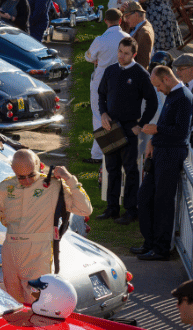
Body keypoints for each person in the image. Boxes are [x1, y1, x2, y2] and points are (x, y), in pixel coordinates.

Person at [0, 149, 93, 303]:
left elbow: (85, 209)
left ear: (39, 166)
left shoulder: (53, 185)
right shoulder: (3, 188)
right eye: (21, 177)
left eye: (31, 175)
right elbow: (3, 217)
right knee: (12, 301)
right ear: (14, 171)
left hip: (38, 252)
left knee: (38, 300)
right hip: (10, 249)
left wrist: (69, 178)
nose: (27, 181)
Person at [134, 66, 193, 261]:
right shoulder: (173, 94)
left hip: (171, 153)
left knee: (163, 202)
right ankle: (149, 243)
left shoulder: (183, 97)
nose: (158, 90)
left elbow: (180, 131)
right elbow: (167, 123)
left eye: (159, 85)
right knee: (144, 197)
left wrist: (156, 130)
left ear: (167, 79)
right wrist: (153, 140)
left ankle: (161, 249)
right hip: (161, 151)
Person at [97, 37, 157, 224]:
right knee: (111, 168)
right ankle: (112, 208)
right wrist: (103, 114)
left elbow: (152, 102)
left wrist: (141, 124)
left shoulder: (140, 74)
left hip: (130, 128)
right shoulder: (110, 70)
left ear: (134, 55)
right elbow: (101, 95)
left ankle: (131, 210)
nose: (121, 56)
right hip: (111, 127)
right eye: (120, 51)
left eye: (126, 53)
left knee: (130, 170)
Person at [83, 8, 129, 164]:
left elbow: (88, 57)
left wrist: (98, 59)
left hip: (101, 80)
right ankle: (117, 151)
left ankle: (97, 154)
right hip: (121, 81)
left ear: (105, 21)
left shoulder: (100, 39)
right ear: (120, 20)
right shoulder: (127, 38)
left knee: (98, 115)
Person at [122, 1, 154, 69]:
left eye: (127, 16)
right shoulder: (137, 24)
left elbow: (143, 63)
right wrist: (121, 11)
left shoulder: (144, 33)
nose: (126, 20)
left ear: (136, 15)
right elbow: (122, 28)